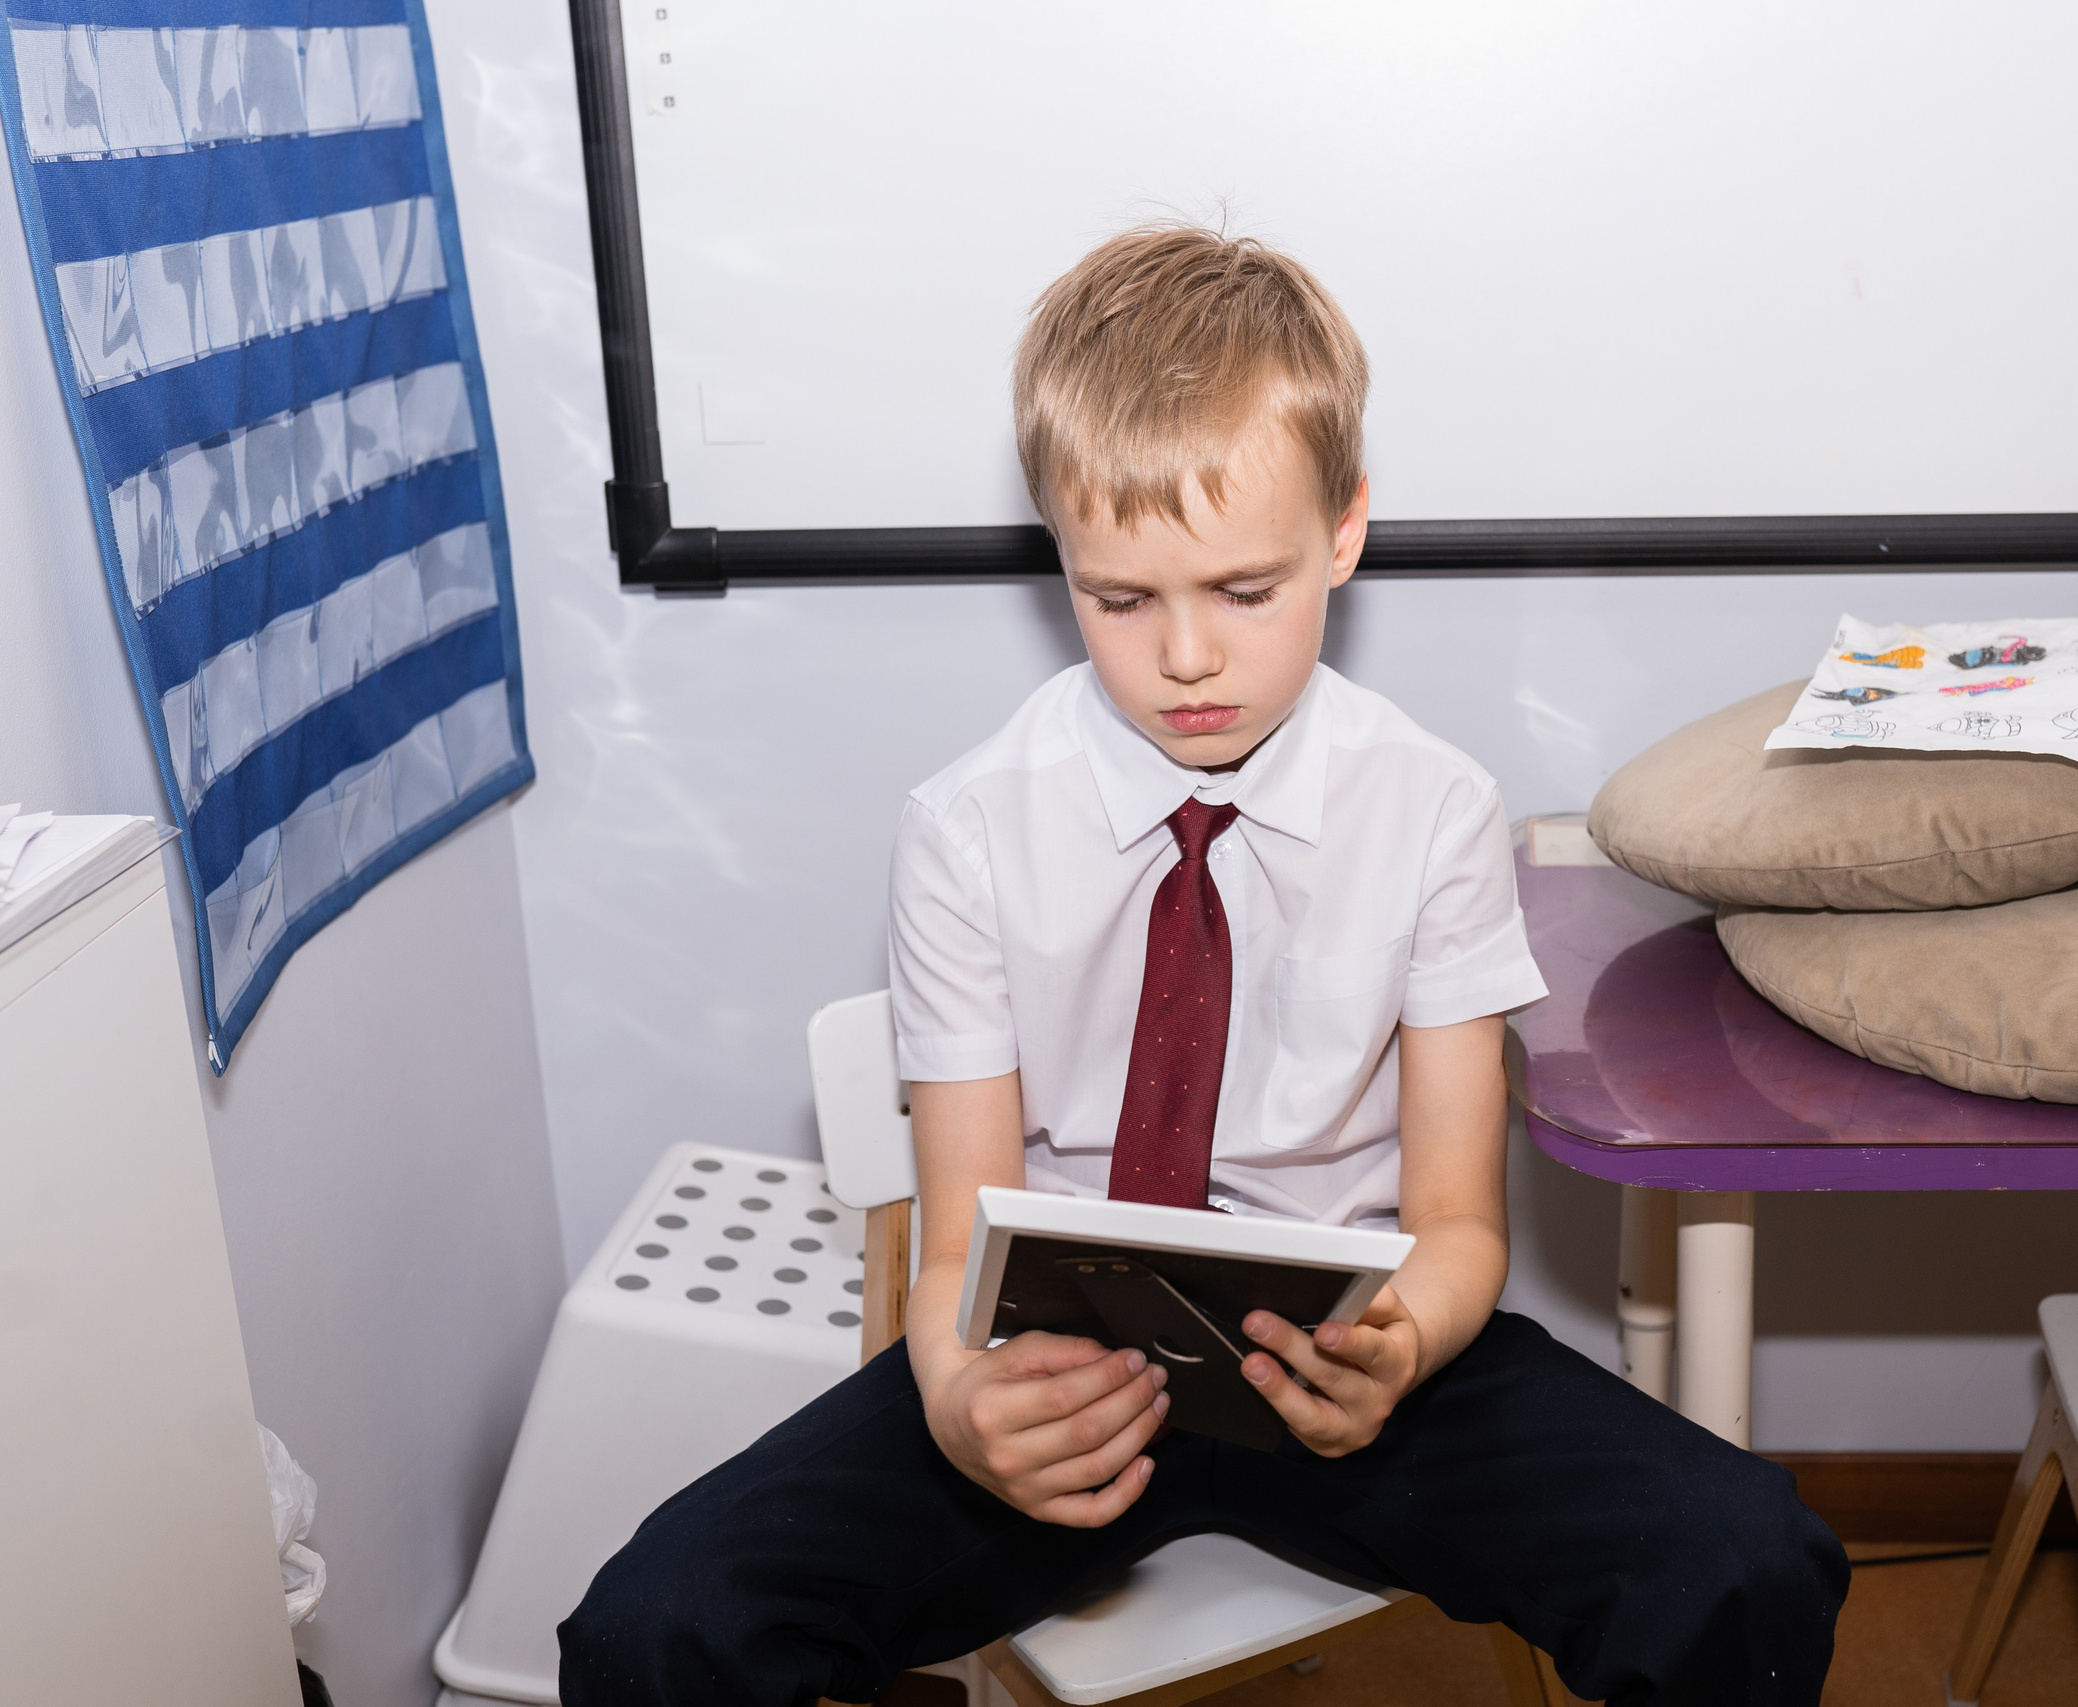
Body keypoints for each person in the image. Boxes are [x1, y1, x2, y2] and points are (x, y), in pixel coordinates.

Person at [560, 224, 1845, 1706]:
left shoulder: (1429, 805)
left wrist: (1402, 1348)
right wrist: (967, 1403)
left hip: (1354, 1357)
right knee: (659, 1631)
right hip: (1062, 1360)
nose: (1187, 659)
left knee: (1743, 1560)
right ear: (1062, 560)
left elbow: (1457, 1226)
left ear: (1346, 533)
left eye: (1245, 591)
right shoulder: (969, 828)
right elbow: (960, 1237)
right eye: (1122, 600)